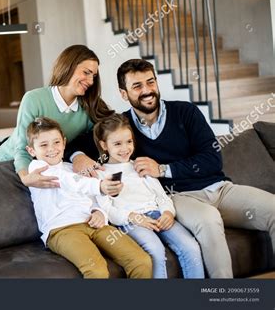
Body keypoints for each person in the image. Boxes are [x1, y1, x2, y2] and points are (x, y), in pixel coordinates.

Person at [69, 58, 275, 278]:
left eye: (150, 82)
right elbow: (74, 144)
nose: (147, 91)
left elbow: (212, 160)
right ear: (123, 93)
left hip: (220, 189)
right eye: (137, 86)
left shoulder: (186, 112)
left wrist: (163, 169)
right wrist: (77, 156)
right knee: (208, 220)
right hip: (180, 197)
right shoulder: (122, 127)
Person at [25, 117, 152, 279]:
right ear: (31, 151)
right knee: (97, 270)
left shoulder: (72, 168)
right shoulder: (37, 169)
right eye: (43, 145)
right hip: (62, 230)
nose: (52, 149)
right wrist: (99, 186)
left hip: (93, 224)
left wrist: (99, 212)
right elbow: (68, 181)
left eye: (56, 142)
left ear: (64, 143)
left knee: (141, 260)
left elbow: (90, 196)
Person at [93, 114, 204, 278]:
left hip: (157, 214)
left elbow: (162, 196)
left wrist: (167, 212)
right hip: (131, 222)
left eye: (129, 142)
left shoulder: (140, 165)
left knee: (190, 246)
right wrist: (135, 218)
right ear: (104, 145)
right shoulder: (101, 174)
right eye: (117, 144)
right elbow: (107, 209)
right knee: (155, 250)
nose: (125, 148)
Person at [0, 44, 114, 188]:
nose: (91, 81)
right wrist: (25, 177)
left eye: (94, 76)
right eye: (86, 72)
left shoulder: (90, 106)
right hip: (10, 165)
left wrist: (78, 156)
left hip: (46, 168)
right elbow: (23, 146)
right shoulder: (34, 99)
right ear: (68, 66)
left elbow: (99, 138)